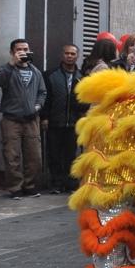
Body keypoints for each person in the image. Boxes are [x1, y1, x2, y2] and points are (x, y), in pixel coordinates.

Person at [0, 38, 46, 199]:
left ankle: (29, 185)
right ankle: (15, 187)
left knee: (34, 156)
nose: (23, 52)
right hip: (11, 119)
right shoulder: (5, 69)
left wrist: (37, 106)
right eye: (19, 49)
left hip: (32, 119)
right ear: (12, 52)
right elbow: (0, 81)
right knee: (12, 155)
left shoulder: (36, 71)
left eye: (26, 49)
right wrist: (11, 64)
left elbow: (42, 92)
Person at [42, 44, 83, 194]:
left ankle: (70, 183)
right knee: (54, 155)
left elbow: (85, 99)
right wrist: (45, 117)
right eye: (67, 53)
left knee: (71, 155)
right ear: (62, 55)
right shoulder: (50, 75)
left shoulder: (82, 76)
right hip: (54, 121)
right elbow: (46, 97)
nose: (70, 56)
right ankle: (56, 183)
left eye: (73, 54)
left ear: (77, 56)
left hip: (73, 122)